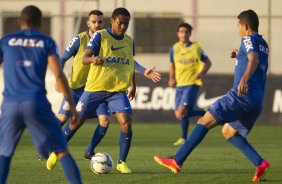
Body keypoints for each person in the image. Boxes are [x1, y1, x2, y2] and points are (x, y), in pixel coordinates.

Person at [154, 9, 270, 182]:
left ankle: (176, 161)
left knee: (203, 122)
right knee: (229, 132)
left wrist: (244, 79)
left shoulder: (247, 39)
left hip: (240, 96)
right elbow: (253, 56)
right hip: (256, 101)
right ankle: (260, 163)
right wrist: (239, 55)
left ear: (245, 26)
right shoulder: (263, 43)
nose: (238, 28)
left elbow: (253, 58)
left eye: (238, 25)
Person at [47, 7, 155, 174]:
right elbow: (84, 58)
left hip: (117, 90)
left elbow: (129, 62)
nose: (124, 26)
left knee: (126, 122)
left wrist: (139, 77)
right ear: (112, 21)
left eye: (126, 23)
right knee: (75, 123)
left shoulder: (128, 41)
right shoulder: (100, 36)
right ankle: (56, 151)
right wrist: (93, 59)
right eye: (120, 23)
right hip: (94, 89)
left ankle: (121, 162)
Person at [0, 5, 82, 184]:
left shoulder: (6, 41)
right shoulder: (46, 42)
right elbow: (58, 73)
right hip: (35, 102)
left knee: (5, 153)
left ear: (19, 22)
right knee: (61, 151)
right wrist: (72, 106)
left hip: (10, 104)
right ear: (39, 23)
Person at [58, 10, 161, 126]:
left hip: (96, 87)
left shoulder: (105, 38)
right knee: (64, 119)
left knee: (104, 121)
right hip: (76, 87)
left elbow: (127, 61)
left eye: (100, 22)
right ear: (88, 23)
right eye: (93, 22)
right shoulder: (80, 39)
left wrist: (140, 74)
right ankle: (50, 143)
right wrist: (58, 79)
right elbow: (62, 59)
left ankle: (89, 145)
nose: (97, 25)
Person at [169, 23, 211, 146]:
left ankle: (183, 137)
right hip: (180, 84)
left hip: (192, 83)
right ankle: (205, 112)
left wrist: (202, 73)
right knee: (179, 114)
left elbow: (208, 62)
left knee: (182, 111)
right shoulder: (174, 48)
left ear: (190, 34)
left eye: (186, 32)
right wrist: (171, 78)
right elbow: (172, 64)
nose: (184, 34)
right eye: (181, 31)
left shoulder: (196, 47)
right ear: (178, 34)